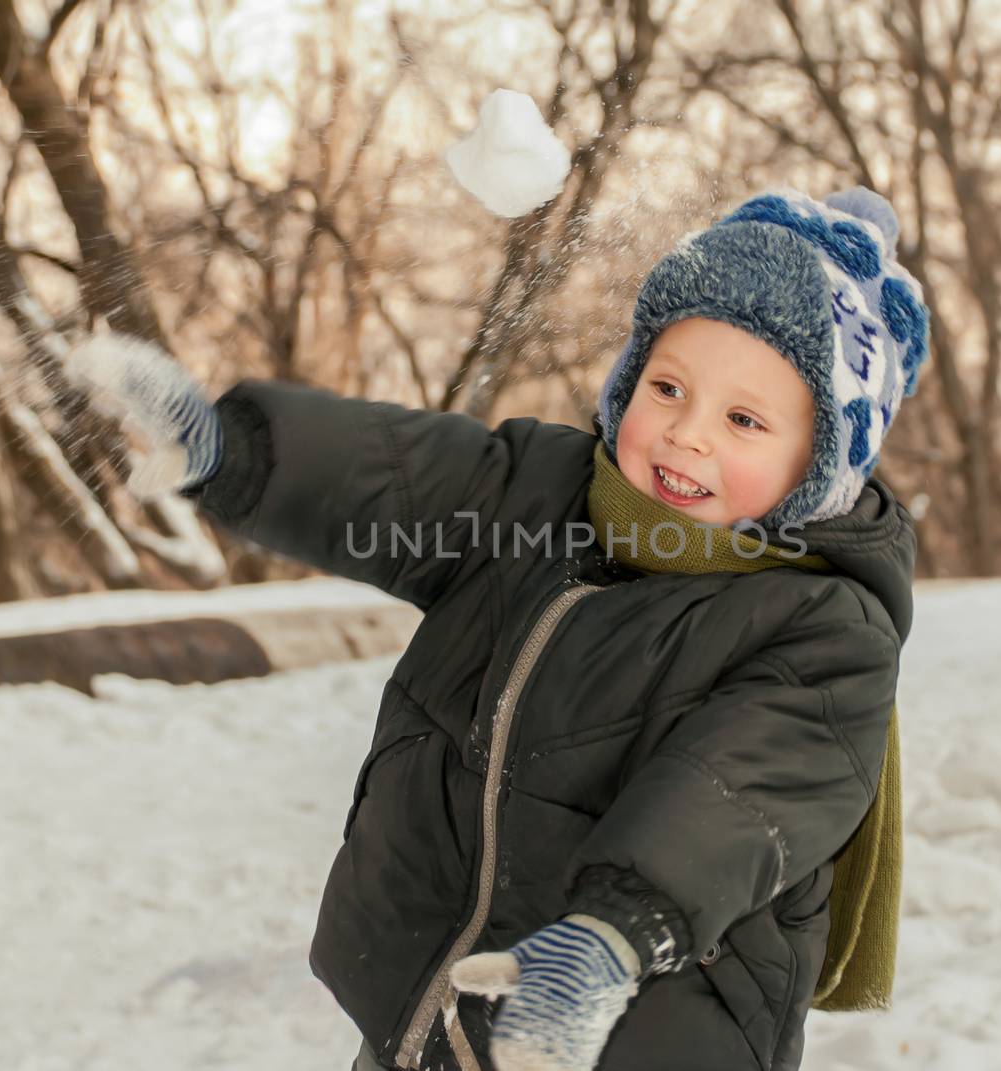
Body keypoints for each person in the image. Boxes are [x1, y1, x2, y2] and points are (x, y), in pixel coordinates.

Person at [67, 186, 930, 1071]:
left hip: (630, 1025)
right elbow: (395, 478)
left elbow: (738, 796)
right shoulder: (536, 495)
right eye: (667, 387)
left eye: (743, 420)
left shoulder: (824, 627)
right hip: (419, 1004)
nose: (686, 434)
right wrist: (229, 450)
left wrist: (611, 937)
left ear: (817, 465)